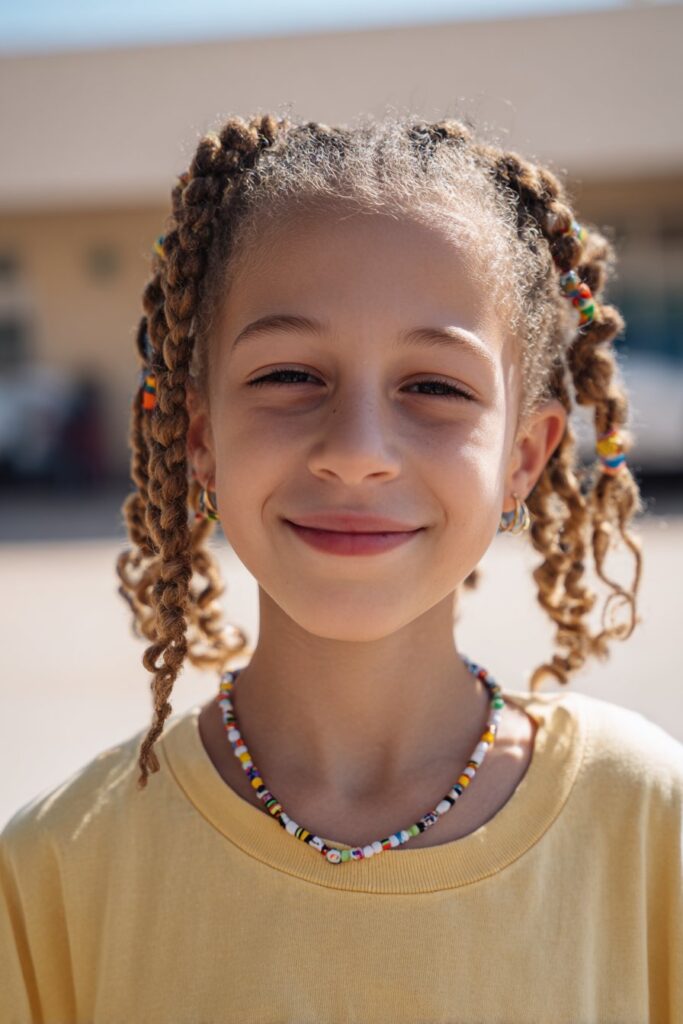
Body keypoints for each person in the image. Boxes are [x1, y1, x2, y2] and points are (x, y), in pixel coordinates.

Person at [1, 110, 681, 1023]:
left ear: (524, 457)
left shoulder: (649, 825)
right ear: (200, 440)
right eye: (289, 376)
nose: (356, 452)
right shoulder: (53, 873)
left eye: (434, 387)